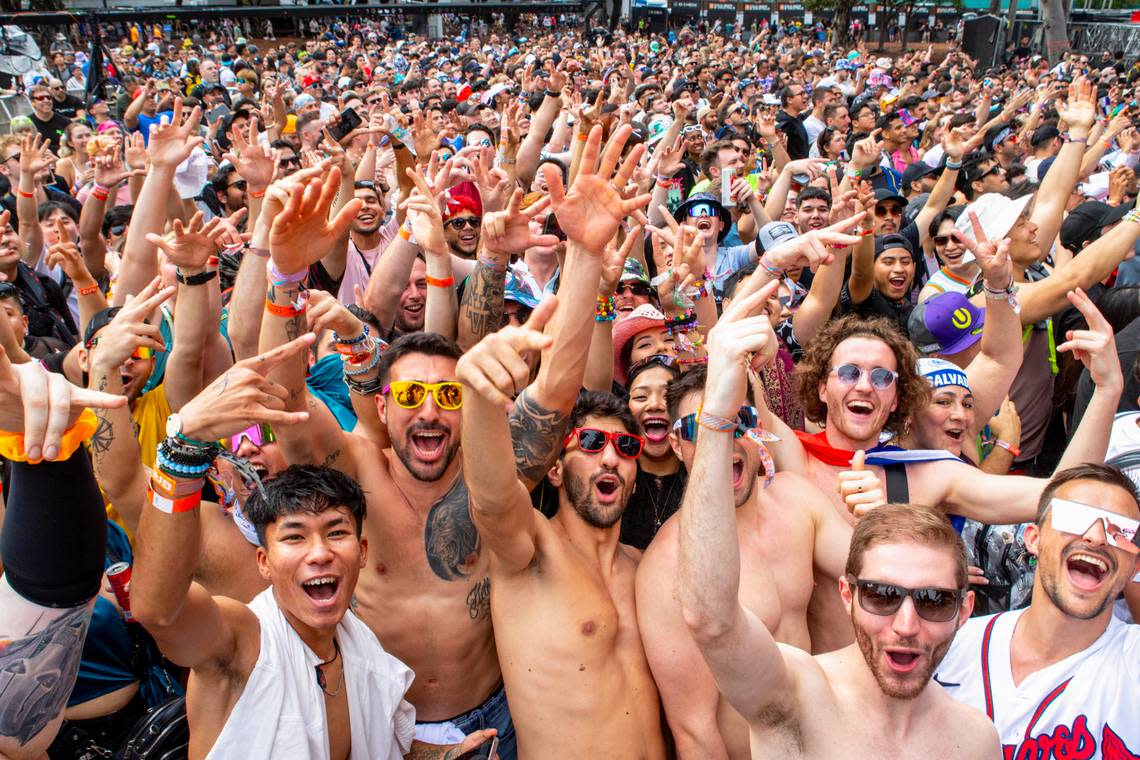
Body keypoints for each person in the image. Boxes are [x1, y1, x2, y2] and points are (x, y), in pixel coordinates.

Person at [673, 278, 1000, 757]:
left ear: (962, 609)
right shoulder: (796, 471)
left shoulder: (974, 739)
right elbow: (740, 400)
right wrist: (717, 301)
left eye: (933, 599)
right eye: (882, 594)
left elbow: (1040, 493)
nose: (907, 621)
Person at [131, 337, 495, 759]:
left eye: (335, 532)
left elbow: (380, 741)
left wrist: (444, 755)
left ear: (361, 552)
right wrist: (183, 451)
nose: (318, 552)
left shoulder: (361, 649)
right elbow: (158, 610)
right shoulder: (243, 642)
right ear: (263, 561)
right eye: (294, 537)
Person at [935, 464, 1140, 757]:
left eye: (1120, 531)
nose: (1096, 537)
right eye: (1075, 517)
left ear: (1135, 566)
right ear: (1033, 538)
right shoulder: (946, 644)